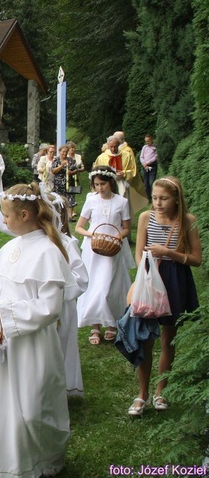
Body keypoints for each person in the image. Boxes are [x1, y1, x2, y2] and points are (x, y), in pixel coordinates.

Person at [0, 183, 72, 478]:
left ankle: (39, 458)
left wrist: (6, 311)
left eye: (7, 216)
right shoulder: (10, 247)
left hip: (33, 343)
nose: (4, 221)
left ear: (24, 215)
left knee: (32, 402)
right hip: (6, 341)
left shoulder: (49, 252)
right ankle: (2, 462)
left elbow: (50, 307)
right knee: (1, 401)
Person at [127, 176, 202, 416]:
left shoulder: (187, 221)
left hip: (176, 281)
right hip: (151, 279)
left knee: (168, 339)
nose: (158, 203)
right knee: (145, 338)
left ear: (177, 200)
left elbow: (197, 259)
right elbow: (139, 254)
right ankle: (142, 394)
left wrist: (168, 252)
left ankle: (161, 392)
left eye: (164, 198)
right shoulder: (145, 218)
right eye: (155, 198)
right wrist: (145, 275)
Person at [75, 166, 135, 345]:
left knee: (108, 287)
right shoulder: (91, 200)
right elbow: (79, 226)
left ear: (111, 183)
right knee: (93, 286)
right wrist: (92, 235)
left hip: (113, 248)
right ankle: (94, 325)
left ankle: (111, 324)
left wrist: (117, 237)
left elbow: (126, 228)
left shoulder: (121, 202)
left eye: (102, 184)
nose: (99, 188)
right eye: (96, 185)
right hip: (94, 248)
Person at [140, 135, 158, 200]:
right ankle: (148, 198)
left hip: (152, 166)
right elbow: (141, 157)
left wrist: (147, 163)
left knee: (151, 183)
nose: (147, 142)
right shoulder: (144, 147)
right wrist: (144, 164)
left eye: (148, 141)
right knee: (146, 184)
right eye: (146, 141)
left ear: (151, 140)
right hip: (145, 167)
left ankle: (154, 196)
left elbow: (155, 157)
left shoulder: (155, 148)